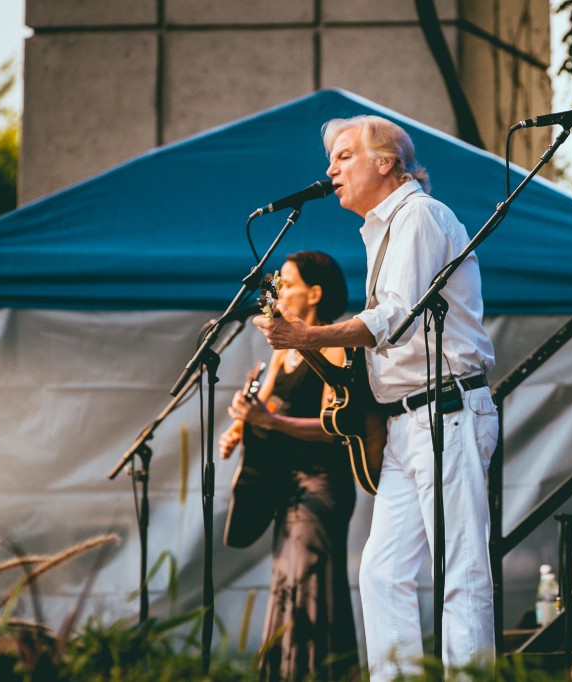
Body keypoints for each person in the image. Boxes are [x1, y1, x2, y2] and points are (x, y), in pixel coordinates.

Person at [253, 115, 498, 680]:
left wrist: (308, 336)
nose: (329, 170)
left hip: (447, 410)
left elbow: (396, 318)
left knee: (460, 572)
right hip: (405, 420)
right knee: (383, 572)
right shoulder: (384, 229)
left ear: (384, 162)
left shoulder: (418, 217)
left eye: (342, 157)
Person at [218, 250, 359, 682]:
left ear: (314, 294)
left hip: (320, 486)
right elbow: (271, 408)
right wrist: (244, 427)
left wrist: (270, 420)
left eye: (289, 284)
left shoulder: (333, 345)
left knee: (311, 588)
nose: (279, 293)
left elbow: (333, 426)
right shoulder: (283, 353)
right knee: (288, 588)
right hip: (286, 486)